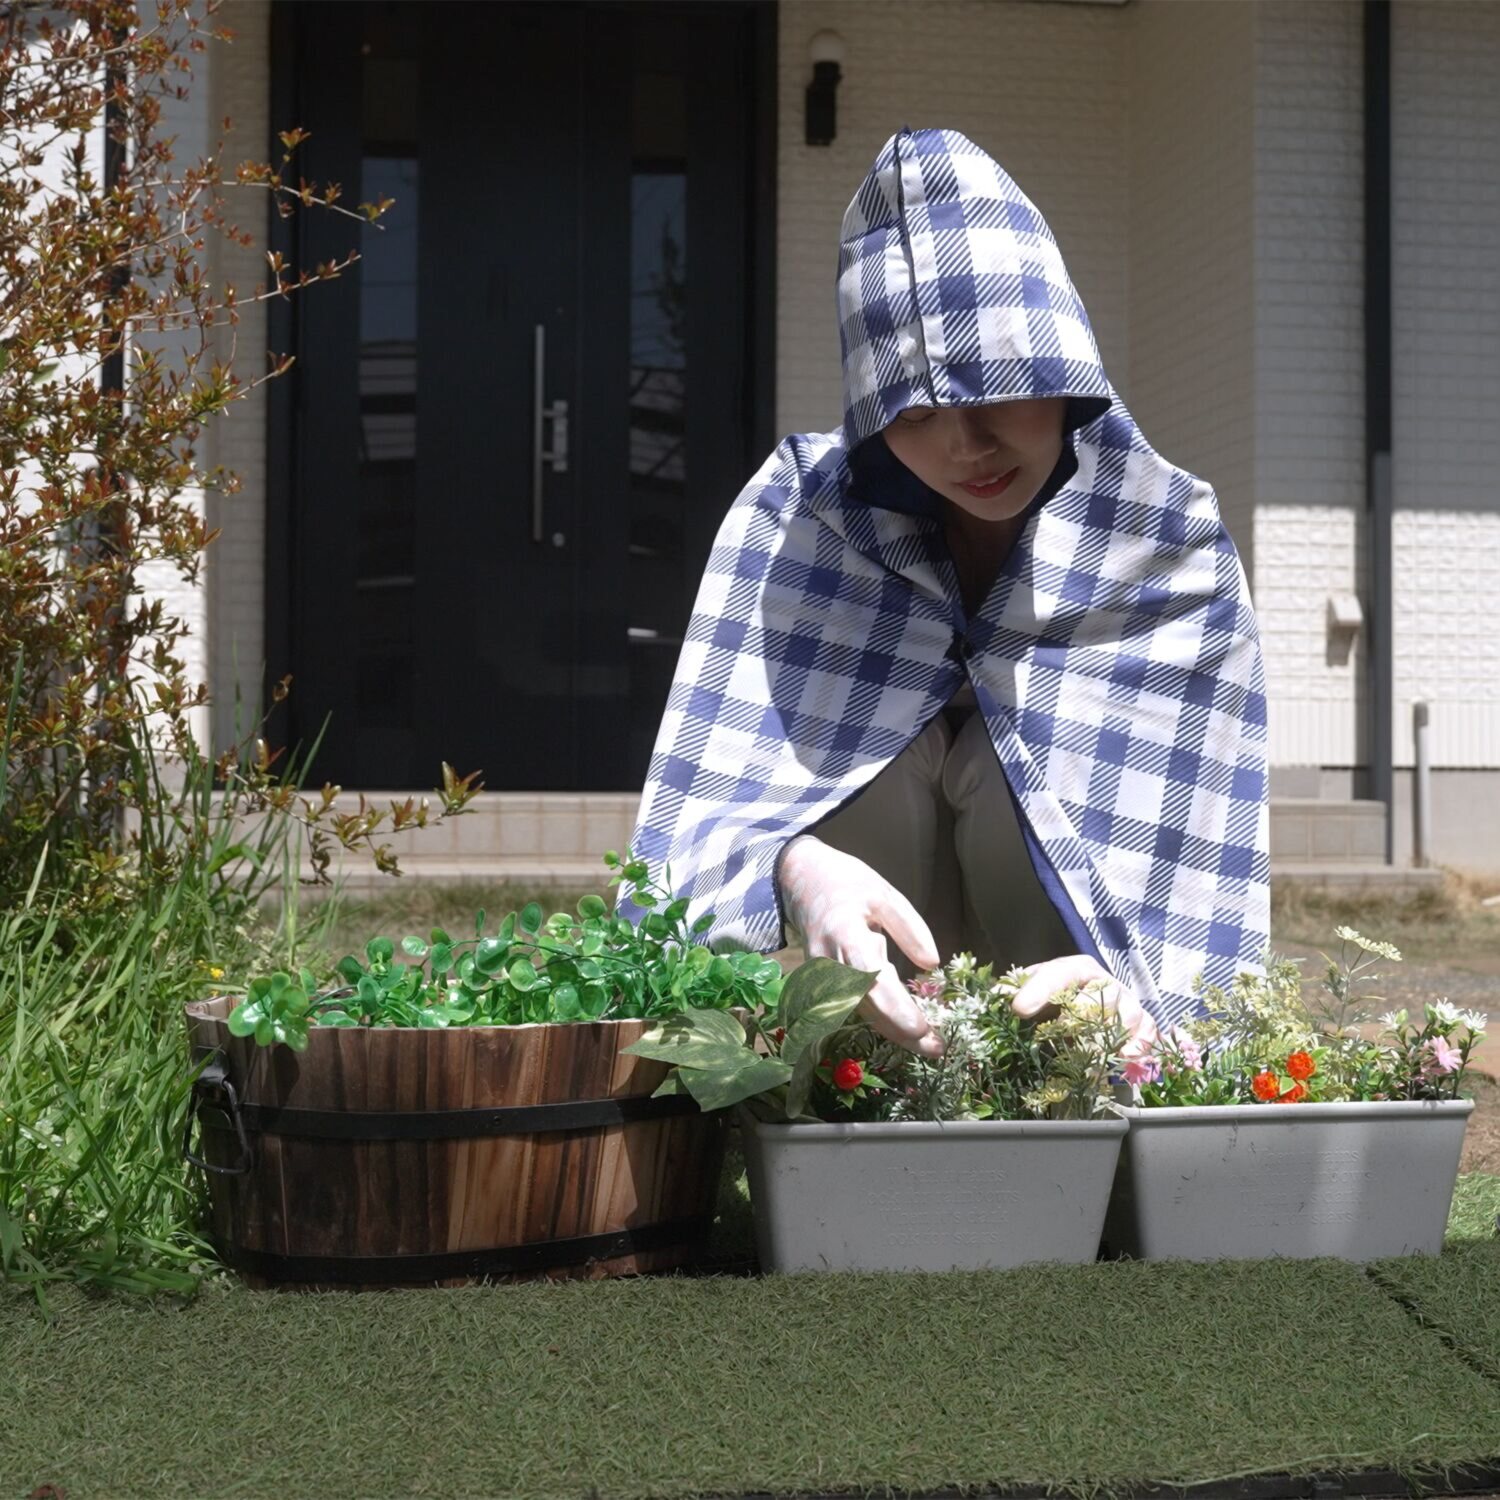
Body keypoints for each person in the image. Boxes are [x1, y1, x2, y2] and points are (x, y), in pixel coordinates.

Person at [619, 127, 1270, 1060]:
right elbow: (718, 793)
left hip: (1075, 1007)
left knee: (1008, 795)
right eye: (916, 414)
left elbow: (1196, 853)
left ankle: (1069, 1088)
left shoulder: (1163, 540)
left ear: (1065, 373)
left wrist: (1145, 991)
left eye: (999, 390)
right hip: (862, 991)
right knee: (877, 786)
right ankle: (860, 1093)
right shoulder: (802, 514)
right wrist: (795, 867)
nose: (967, 447)